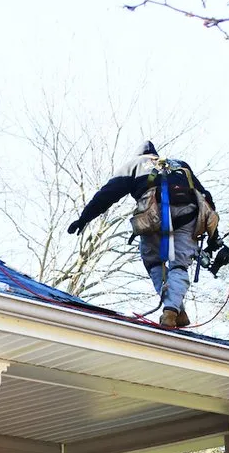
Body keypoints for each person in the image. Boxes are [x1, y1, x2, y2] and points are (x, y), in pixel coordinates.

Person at [67, 140, 216, 328]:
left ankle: (172, 310)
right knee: (179, 265)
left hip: (154, 217)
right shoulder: (178, 165)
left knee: (154, 261)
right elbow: (206, 198)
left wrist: (84, 218)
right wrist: (214, 239)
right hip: (188, 215)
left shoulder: (134, 165)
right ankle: (174, 309)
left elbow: (108, 193)